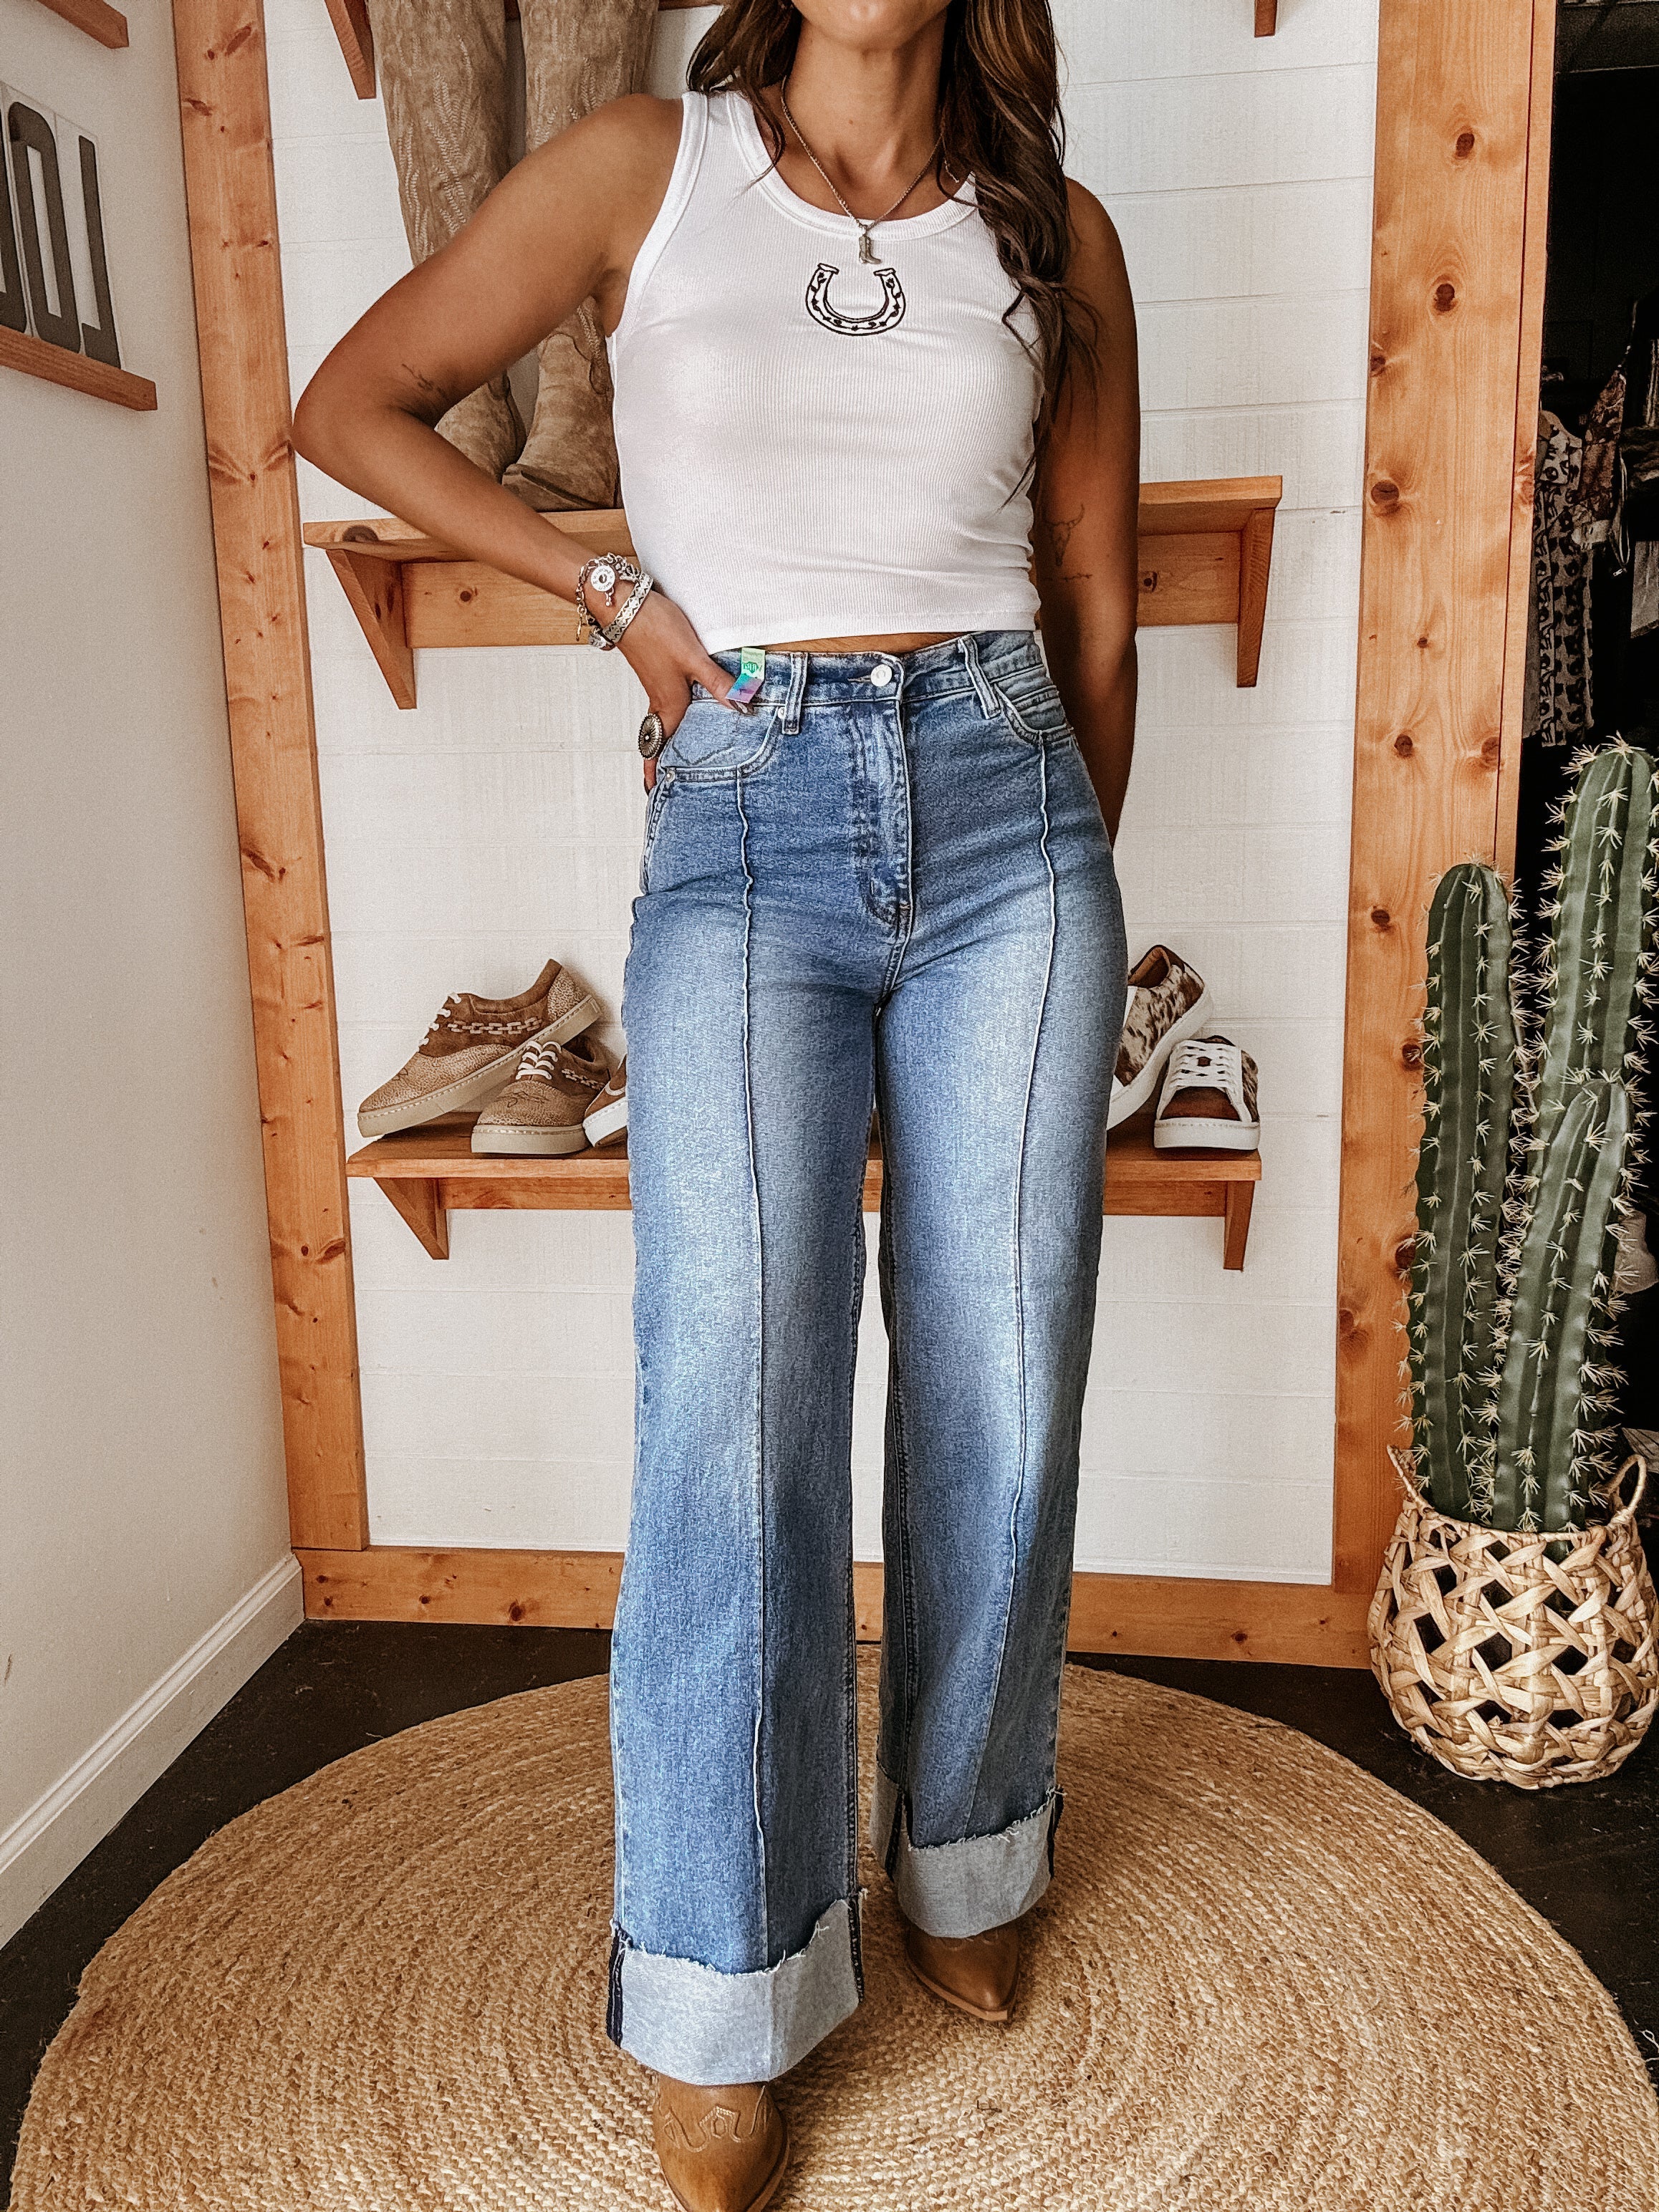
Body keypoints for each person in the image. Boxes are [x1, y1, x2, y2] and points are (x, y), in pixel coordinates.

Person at [294, 2, 1138, 2204]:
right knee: (727, 1403)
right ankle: (720, 1977)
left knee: (1004, 1378)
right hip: (749, 810)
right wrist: (614, 596)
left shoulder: (1058, 230)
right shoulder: (637, 166)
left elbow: (1095, 604)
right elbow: (350, 404)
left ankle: (964, 1858)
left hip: (1014, 823)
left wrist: (1061, 869)